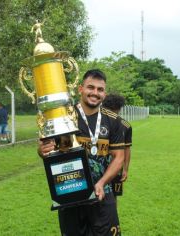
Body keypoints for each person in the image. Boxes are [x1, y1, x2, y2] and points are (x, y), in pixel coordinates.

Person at [38, 69, 125, 235]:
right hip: (70, 195)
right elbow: (45, 149)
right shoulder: (61, 116)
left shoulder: (113, 120)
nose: (95, 93)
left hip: (102, 193)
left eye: (100, 89)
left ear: (104, 94)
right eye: (90, 87)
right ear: (80, 89)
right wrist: (42, 150)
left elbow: (118, 158)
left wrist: (101, 183)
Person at [102, 93, 132, 198]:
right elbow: (127, 149)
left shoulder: (125, 125)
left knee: (112, 195)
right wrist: (125, 169)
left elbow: (126, 148)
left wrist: (125, 169)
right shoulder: (96, 121)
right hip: (101, 166)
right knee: (112, 195)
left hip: (114, 167)